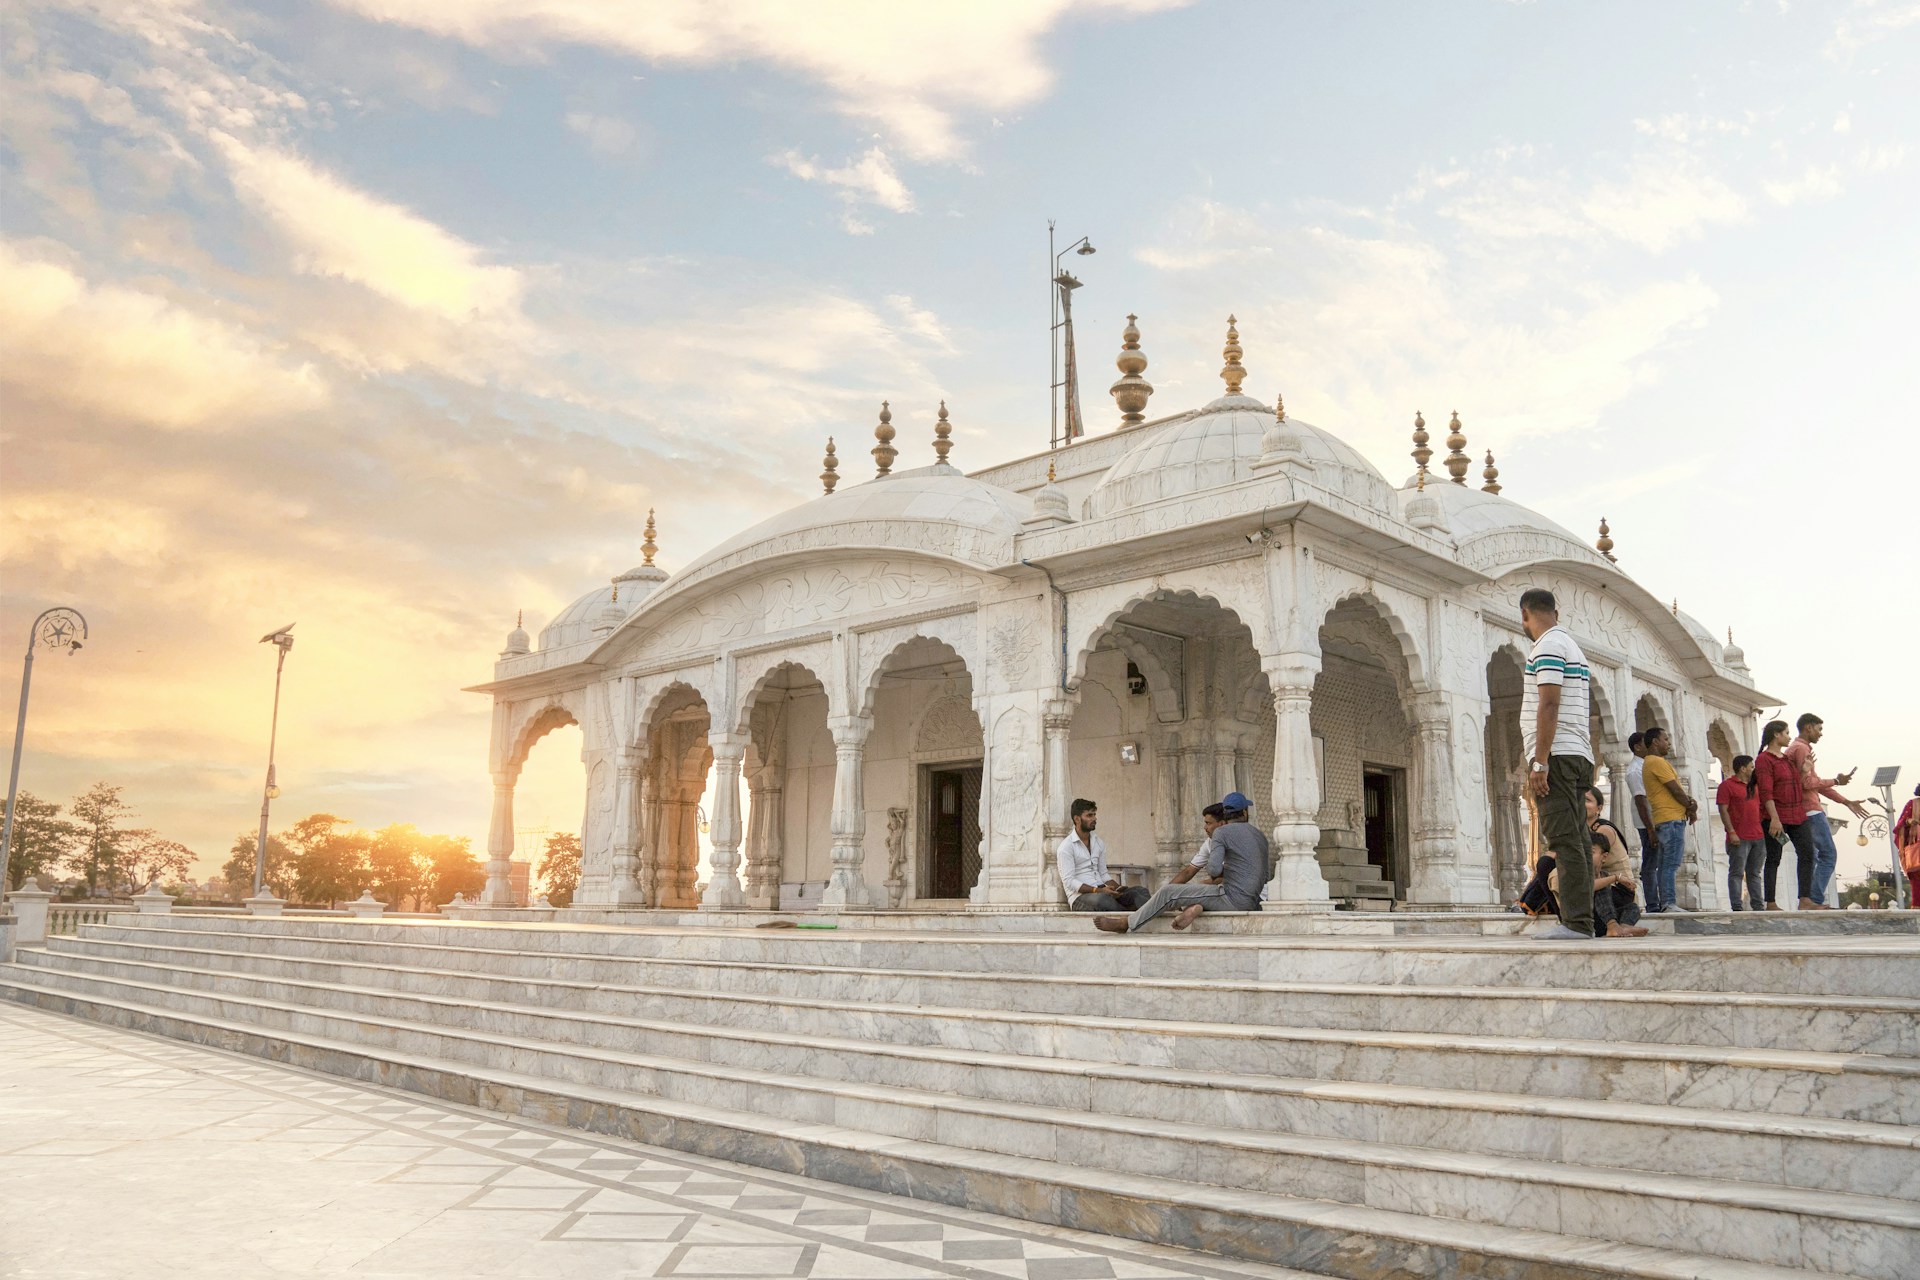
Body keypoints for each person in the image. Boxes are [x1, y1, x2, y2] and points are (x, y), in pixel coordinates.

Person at [1518, 588, 1598, 940]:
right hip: (1577, 753)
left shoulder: (1548, 646)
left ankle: (1577, 924)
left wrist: (1540, 762)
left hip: (1558, 756)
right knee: (1577, 840)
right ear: (1556, 611)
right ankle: (1582, 921)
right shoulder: (1571, 646)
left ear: (1525, 614)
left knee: (1565, 841)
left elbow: (1549, 704)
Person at [1096, 792, 1268, 933]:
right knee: (1195, 892)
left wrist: (1225, 871)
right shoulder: (1260, 835)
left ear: (1225, 814)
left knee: (1168, 892)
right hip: (1254, 901)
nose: (1205, 827)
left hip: (1232, 899)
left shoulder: (1222, 833)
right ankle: (1196, 907)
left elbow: (1214, 870)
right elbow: (1265, 875)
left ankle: (1126, 923)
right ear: (1245, 812)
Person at [1784, 714, 1868, 908]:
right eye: (1819, 729)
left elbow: (1816, 784)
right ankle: (1813, 899)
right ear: (1808, 728)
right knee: (1828, 855)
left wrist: (1846, 801)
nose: (1821, 734)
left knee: (1811, 857)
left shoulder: (1796, 748)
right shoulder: (1801, 749)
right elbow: (1808, 783)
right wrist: (1836, 781)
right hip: (1810, 811)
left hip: (1803, 809)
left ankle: (1808, 899)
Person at [1754, 719, 1820, 910]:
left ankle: (1805, 899)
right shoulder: (1764, 759)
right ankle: (1771, 902)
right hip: (1776, 817)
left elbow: (1794, 785)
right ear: (1776, 734)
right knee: (1774, 857)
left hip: (1797, 815)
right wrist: (1774, 819)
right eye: (1786, 733)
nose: (1789, 737)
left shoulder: (1786, 760)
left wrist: (1804, 771)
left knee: (1807, 853)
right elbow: (1766, 791)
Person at [1639, 726, 1697, 913]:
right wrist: (1690, 806)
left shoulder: (1653, 762)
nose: (1669, 743)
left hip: (1668, 819)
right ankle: (1669, 903)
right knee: (1670, 864)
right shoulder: (1656, 762)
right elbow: (1675, 790)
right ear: (1655, 742)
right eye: (1665, 739)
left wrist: (1689, 804)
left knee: (1665, 865)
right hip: (1670, 819)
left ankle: (1667, 903)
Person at [1056, 799, 1148, 913]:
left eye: (1094, 815)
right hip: (1080, 898)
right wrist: (1098, 891)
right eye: (1089, 815)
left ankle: (1137, 914)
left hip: (1103, 891)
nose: (1094, 818)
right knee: (1103, 900)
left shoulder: (1098, 842)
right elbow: (1070, 882)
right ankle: (1131, 916)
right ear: (1077, 819)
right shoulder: (1066, 847)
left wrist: (1118, 890)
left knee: (1140, 891)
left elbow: (1103, 874)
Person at [1715, 754, 1766, 910]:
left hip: (1758, 836)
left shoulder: (1754, 787)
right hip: (1739, 836)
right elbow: (1723, 810)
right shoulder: (1727, 786)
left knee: (1754, 873)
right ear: (1743, 769)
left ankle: (1758, 905)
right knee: (1737, 872)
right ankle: (1737, 906)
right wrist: (1731, 831)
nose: (1753, 770)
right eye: (1751, 767)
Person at [1167, 804, 1227, 886]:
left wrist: (1203, 884)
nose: (1205, 827)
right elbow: (1188, 872)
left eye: (1208, 823)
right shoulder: (1209, 842)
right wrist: (1168, 889)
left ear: (1222, 824)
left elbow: (1235, 877)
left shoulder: (1238, 841)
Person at [1624, 731, 1653, 888]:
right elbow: (1640, 800)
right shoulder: (1635, 770)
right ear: (1637, 747)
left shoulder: (1647, 765)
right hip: (1647, 822)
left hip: (1655, 819)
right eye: (1645, 742)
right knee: (1651, 861)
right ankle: (1652, 899)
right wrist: (1650, 828)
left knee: (1656, 860)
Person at [1898, 785, 1920, 908]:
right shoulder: (1913, 804)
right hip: (1916, 849)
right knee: (1916, 878)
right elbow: (1901, 824)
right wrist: (1910, 821)